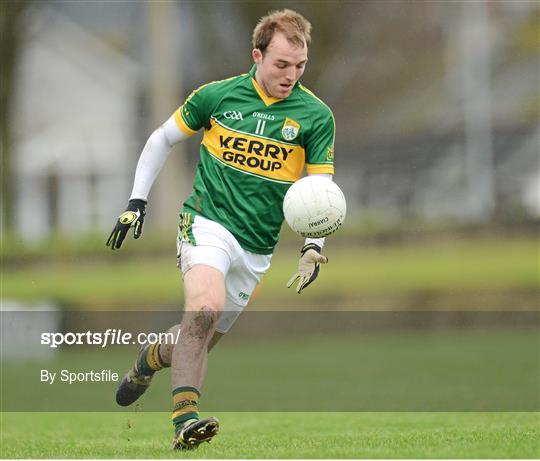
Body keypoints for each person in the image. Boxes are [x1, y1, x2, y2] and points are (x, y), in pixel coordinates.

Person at [106, 9, 335, 450]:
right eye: (281, 64)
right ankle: (184, 422)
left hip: (257, 247)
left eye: (300, 66)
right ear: (258, 55)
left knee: (197, 341)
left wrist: (312, 245)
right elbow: (161, 139)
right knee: (203, 309)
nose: (291, 75)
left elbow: (319, 189)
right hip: (206, 223)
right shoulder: (217, 96)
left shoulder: (315, 116)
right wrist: (137, 201)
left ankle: (148, 358)